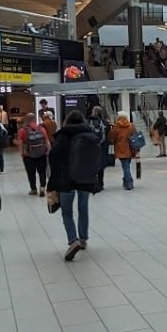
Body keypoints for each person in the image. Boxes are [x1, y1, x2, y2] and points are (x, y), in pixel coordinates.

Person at [47, 111, 100, 261]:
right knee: (83, 208)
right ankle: (83, 240)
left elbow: (53, 156)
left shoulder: (63, 135)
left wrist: (53, 178)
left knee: (67, 212)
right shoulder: (90, 134)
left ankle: (73, 240)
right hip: (85, 178)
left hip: (66, 179)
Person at [18, 113, 51, 195]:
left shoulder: (23, 131)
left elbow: (20, 143)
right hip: (41, 154)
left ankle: (33, 189)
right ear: (34, 119)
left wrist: (22, 153)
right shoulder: (41, 129)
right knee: (42, 172)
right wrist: (48, 151)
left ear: (26, 120)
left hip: (28, 155)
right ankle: (42, 187)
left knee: (31, 173)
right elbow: (47, 141)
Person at [107, 111, 137, 191]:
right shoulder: (131, 125)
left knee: (125, 166)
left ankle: (129, 182)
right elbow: (135, 135)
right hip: (131, 148)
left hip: (121, 148)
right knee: (127, 165)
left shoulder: (116, 127)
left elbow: (111, 137)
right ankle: (126, 181)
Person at [88, 106, 112, 187]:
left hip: (91, 147)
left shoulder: (88, 122)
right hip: (102, 146)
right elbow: (109, 133)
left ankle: (93, 182)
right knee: (101, 165)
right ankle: (101, 183)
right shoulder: (105, 122)